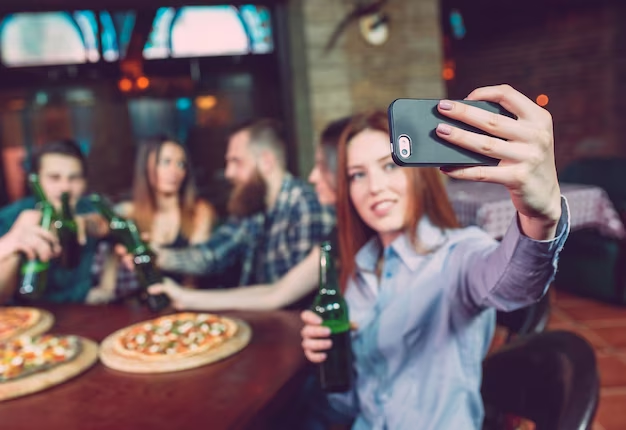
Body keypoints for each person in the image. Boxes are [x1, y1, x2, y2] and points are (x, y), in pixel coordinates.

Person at [300, 85, 570, 429]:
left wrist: (540, 217)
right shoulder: (357, 274)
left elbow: (515, 285)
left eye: (389, 166)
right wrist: (329, 360)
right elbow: (351, 403)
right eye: (357, 174)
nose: (375, 187)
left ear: (419, 172)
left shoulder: (457, 255)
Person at [147, 117, 350, 310]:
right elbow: (213, 255)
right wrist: (159, 257)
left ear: (266, 162)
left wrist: (187, 297)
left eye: (237, 161)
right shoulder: (254, 204)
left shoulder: (307, 205)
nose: (228, 173)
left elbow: (290, 297)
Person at [87, 137, 217, 304]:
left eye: (181, 164)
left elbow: (195, 271)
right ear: (146, 166)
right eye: (165, 162)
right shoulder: (130, 210)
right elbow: (100, 223)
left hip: (185, 300)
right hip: (143, 302)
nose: (174, 171)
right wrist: (81, 223)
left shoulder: (199, 210)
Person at [0, 139, 107, 304]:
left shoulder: (89, 207)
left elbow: (112, 227)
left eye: (74, 178)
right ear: (36, 181)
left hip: (84, 311)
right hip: (28, 316)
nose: (65, 187)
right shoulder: (10, 217)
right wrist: (12, 243)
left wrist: (106, 288)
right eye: (54, 177)